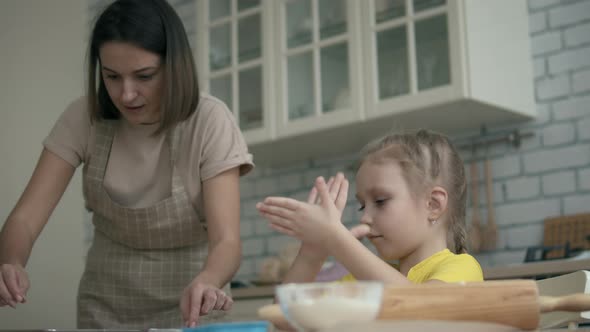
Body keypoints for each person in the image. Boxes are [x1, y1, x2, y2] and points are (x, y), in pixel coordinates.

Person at [0, 0, 253, 329]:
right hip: (106, 306)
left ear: (174, 66)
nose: (127, 94)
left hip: (195, 305)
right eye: (112, 77)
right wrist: (10, 261)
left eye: (144, 76)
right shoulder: (83, 118)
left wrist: (208, 280)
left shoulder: (209, 121)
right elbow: (25, 218)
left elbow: (227, 242)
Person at [256, 129, 482, 286]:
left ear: (433, 205)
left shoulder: (463, 269)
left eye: (381, 201)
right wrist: (311, 254)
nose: (365, 218)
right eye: (362, 206)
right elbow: (286, 320)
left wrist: (335, 238)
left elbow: (417, 306)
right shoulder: (364, 279)